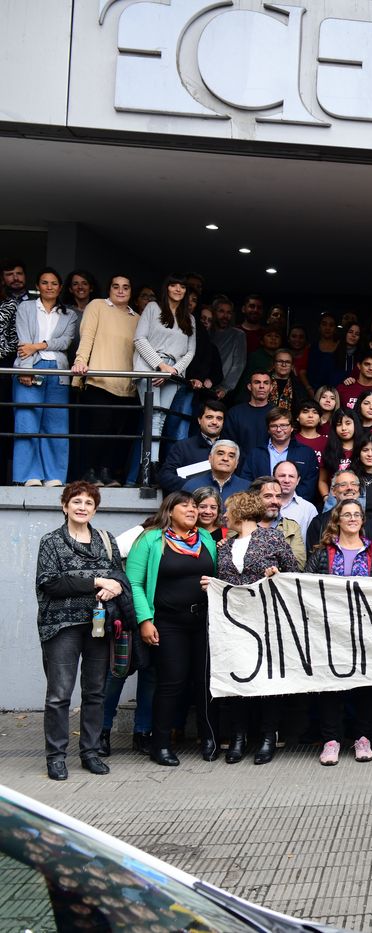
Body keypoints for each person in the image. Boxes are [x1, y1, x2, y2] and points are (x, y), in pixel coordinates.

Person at [35, 481, 130, 780]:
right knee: (59, 695)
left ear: (95, 509)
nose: (82, 507)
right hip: (61, 626)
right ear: (65, 506)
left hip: (97, 625)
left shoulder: (106, 539)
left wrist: (114, 585)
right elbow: (51, 582)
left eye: (88, 503)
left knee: (95, 693)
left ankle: (89, 752)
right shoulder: (51, 541)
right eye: (76, 501)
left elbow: (118, 575)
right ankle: (56, 756)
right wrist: (97, 582)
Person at [128, 491, 219, 766]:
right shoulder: (151, 539)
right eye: (186, 506)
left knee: (206, 682)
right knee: (172, 682)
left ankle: (209, 738)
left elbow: (215, 575)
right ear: (170, 510)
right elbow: (134, 583)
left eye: (195, 506)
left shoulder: (204, 539)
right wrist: (145, 620)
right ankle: (161, 744)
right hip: (167, 622)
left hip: (203, 621)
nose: (193, 510)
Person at [214, 490, 298, 765]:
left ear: (239, 511)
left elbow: (294, 573)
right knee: (238, 678)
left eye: (228, 510)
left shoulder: (272, 537)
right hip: (234, 622)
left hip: (267, 619)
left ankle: (266, 737)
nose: (224, 515)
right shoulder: (223, 547)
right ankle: (238, 737)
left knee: (267, 680)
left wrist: (277, 574)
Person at [70, 274, 142, 487]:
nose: (120, 291)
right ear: (109, 288)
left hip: (126, 385)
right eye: (116, 286)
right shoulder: (98, 306)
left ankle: (106, 473)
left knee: (116, 434)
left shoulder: (136, 318)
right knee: (97, 429)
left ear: (131, 292)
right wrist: (80, 361)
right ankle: (89, 472)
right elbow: (87, 336)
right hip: (98, 380)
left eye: (126, 287)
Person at [10, 268, 79, 486]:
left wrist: (39, 345)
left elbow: (65, 342)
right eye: (44, 282)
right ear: (37, 286)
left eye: (54, 283)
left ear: (60, 288)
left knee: (56, 426)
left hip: (58, 371)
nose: (49, 287)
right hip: (30, 367)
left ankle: (54, 476)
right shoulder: (26, 307)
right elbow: (23, 340)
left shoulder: (69, 314)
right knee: (27, 422)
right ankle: (28, 476)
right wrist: (27, 369)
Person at [133, 275, 196, 460]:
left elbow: (190, 352)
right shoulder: (153, 308)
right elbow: (139, 338)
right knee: (152, 417)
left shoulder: (189, 318)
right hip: (149, 366)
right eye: (173, 285)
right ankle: (149, 466)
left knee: (160, 419)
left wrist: (173, 371)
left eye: (182, 286)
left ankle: (153, 463)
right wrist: (160, 366)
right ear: (166, 288)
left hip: (174, 372)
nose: (178, 289)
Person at [237, 407, 319, 499]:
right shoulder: (255, 454)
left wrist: (288, 501)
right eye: (274, 426)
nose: (279, 430)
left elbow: (309, 485)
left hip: (296, 508)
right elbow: (247, 482)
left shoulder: (306, 453)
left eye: (283, 425)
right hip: (261, 507)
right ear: (268, 429)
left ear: (292, 427)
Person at [180, 439, 250, 502]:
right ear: (210, 458)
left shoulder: (247, 488)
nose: (225, 458)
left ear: (236, 463)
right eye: (220, 454)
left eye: (231, 456)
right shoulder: (192, 485)